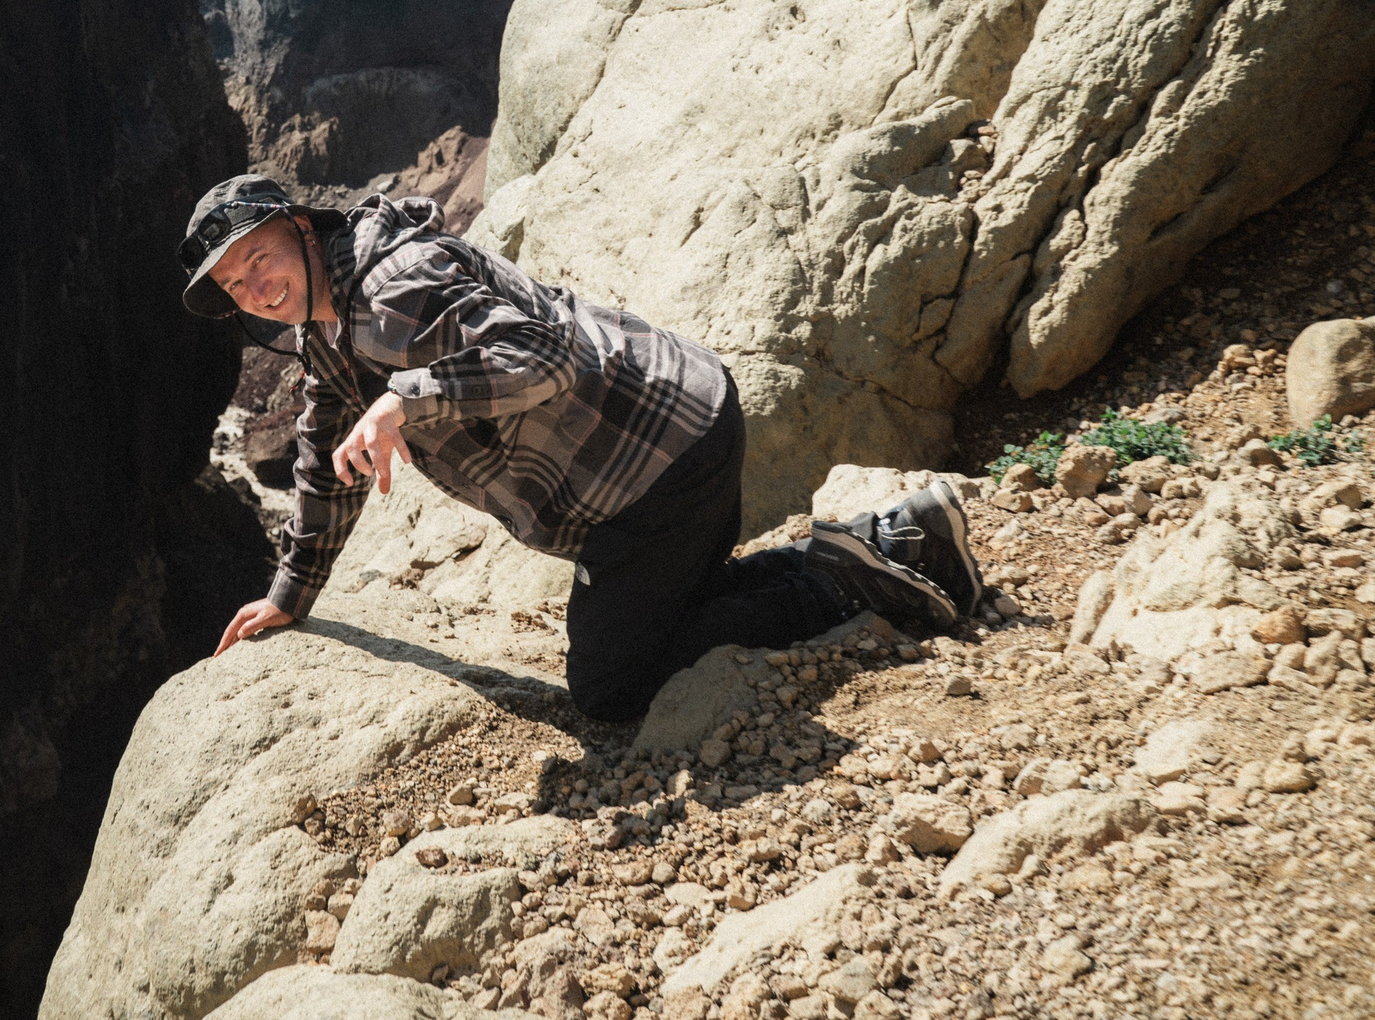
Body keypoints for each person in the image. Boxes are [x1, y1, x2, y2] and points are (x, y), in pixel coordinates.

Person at [177, 174, 983, 721]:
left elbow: (545, 355)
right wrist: (292, 591)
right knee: (667, 618)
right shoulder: (327, 327)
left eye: (260, 258)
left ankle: (867, 570)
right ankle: (878, 547)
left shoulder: (393, 283)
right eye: (236, 285)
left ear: (300, 230)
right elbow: (325, 455)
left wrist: (404, 398)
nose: (257, 288)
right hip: (657, 447)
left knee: (610, 687)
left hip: (660, 460)